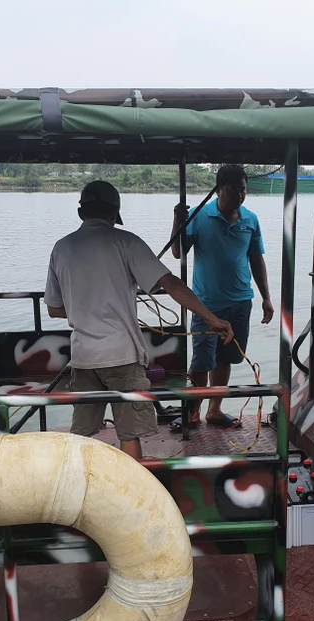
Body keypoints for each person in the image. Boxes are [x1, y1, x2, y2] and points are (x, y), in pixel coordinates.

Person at [45, 181, 233, 460]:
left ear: (81, 212)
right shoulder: (126, 242)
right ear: (114, 214)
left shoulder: (61, 248)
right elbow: (172, 284)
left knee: (82, 434)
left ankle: (78, 482)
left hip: (83, 357)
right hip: (122, 355)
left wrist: (85, 308)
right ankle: (134, 481)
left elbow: (54, 309)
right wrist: (211, 319)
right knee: (129, 433)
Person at [169, 164, 273, 431]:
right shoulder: (199, 216)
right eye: (233, 190)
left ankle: (214, 410)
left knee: (226, 358)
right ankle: (192, 412)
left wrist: (266, 297)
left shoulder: (251, 219)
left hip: (241, 302)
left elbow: (256, 259)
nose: (239, 195)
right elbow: (178, 252)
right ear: (218, 189)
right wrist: (178, 221)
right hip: (206, 305)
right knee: (201, 361)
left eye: (243, 189)